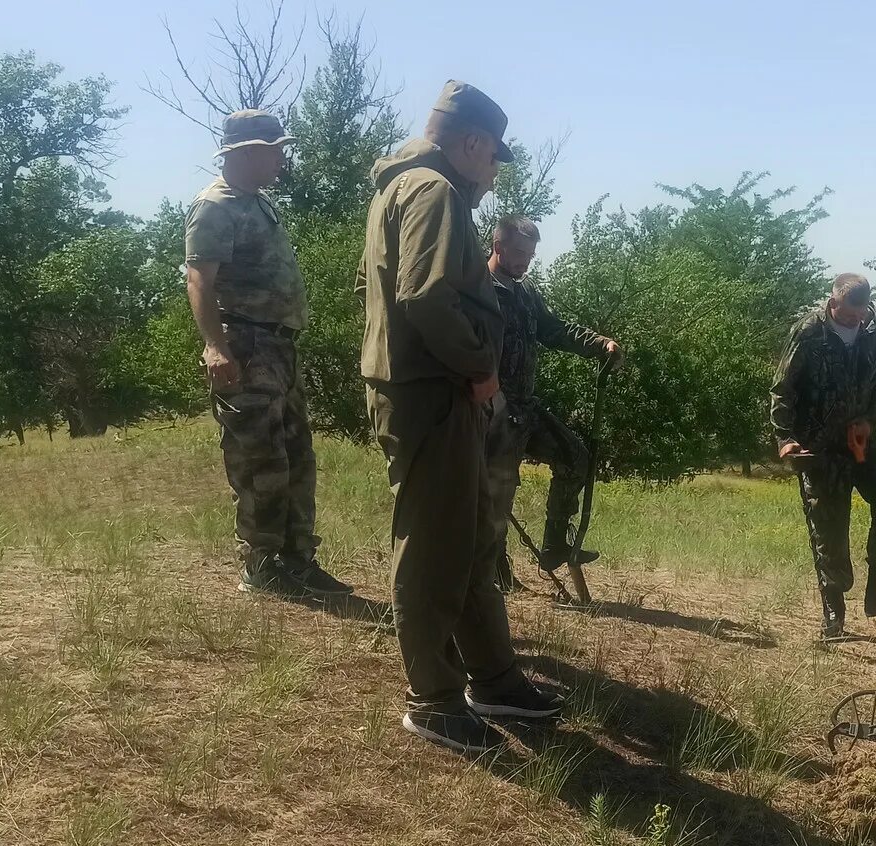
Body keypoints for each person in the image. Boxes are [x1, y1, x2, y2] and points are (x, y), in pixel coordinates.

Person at [361, 80, 563, 755]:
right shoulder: (433, 191)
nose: (494, 171)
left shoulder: (410, 188)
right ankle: (434, 699)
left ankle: (494, 676)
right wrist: (480, 369)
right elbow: (426, 298)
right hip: (434, 392)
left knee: (471, 537)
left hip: (434, 389)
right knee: (434, 546)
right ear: (471, 142)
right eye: (493, 157)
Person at [185, 109, 352, 600]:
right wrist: (215, 346)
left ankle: (298, 560)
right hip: (247, 346)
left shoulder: (257, 203)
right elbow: (199, 280)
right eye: (276, 149)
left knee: (298, 457)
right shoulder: (215, 206)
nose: (282, 157)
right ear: (248, 152)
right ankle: (260, 566)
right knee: (260, 461)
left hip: (279, 348)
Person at [771, 274, 876, 644]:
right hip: (819, 446)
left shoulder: (875, 328)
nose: (857, 320)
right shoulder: (808, 332)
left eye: (862, 312)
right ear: (833, 303)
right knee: (828, 527)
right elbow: (783, 387)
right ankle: (833, 613)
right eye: (850, 314)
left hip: (865, 441)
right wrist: (785, 438)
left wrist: (870, 420)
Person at [484, 215, 622, 585]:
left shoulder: (525, 291)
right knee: (499, 492)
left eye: (530, 255)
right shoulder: (477, 290)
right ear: (498, 247)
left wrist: (598, 344)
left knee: (576, 458)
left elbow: (554, 329)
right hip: (492, 413)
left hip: (526, 407)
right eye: (519, 254)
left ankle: (554, 545)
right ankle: (494, 573)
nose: (525, 262)